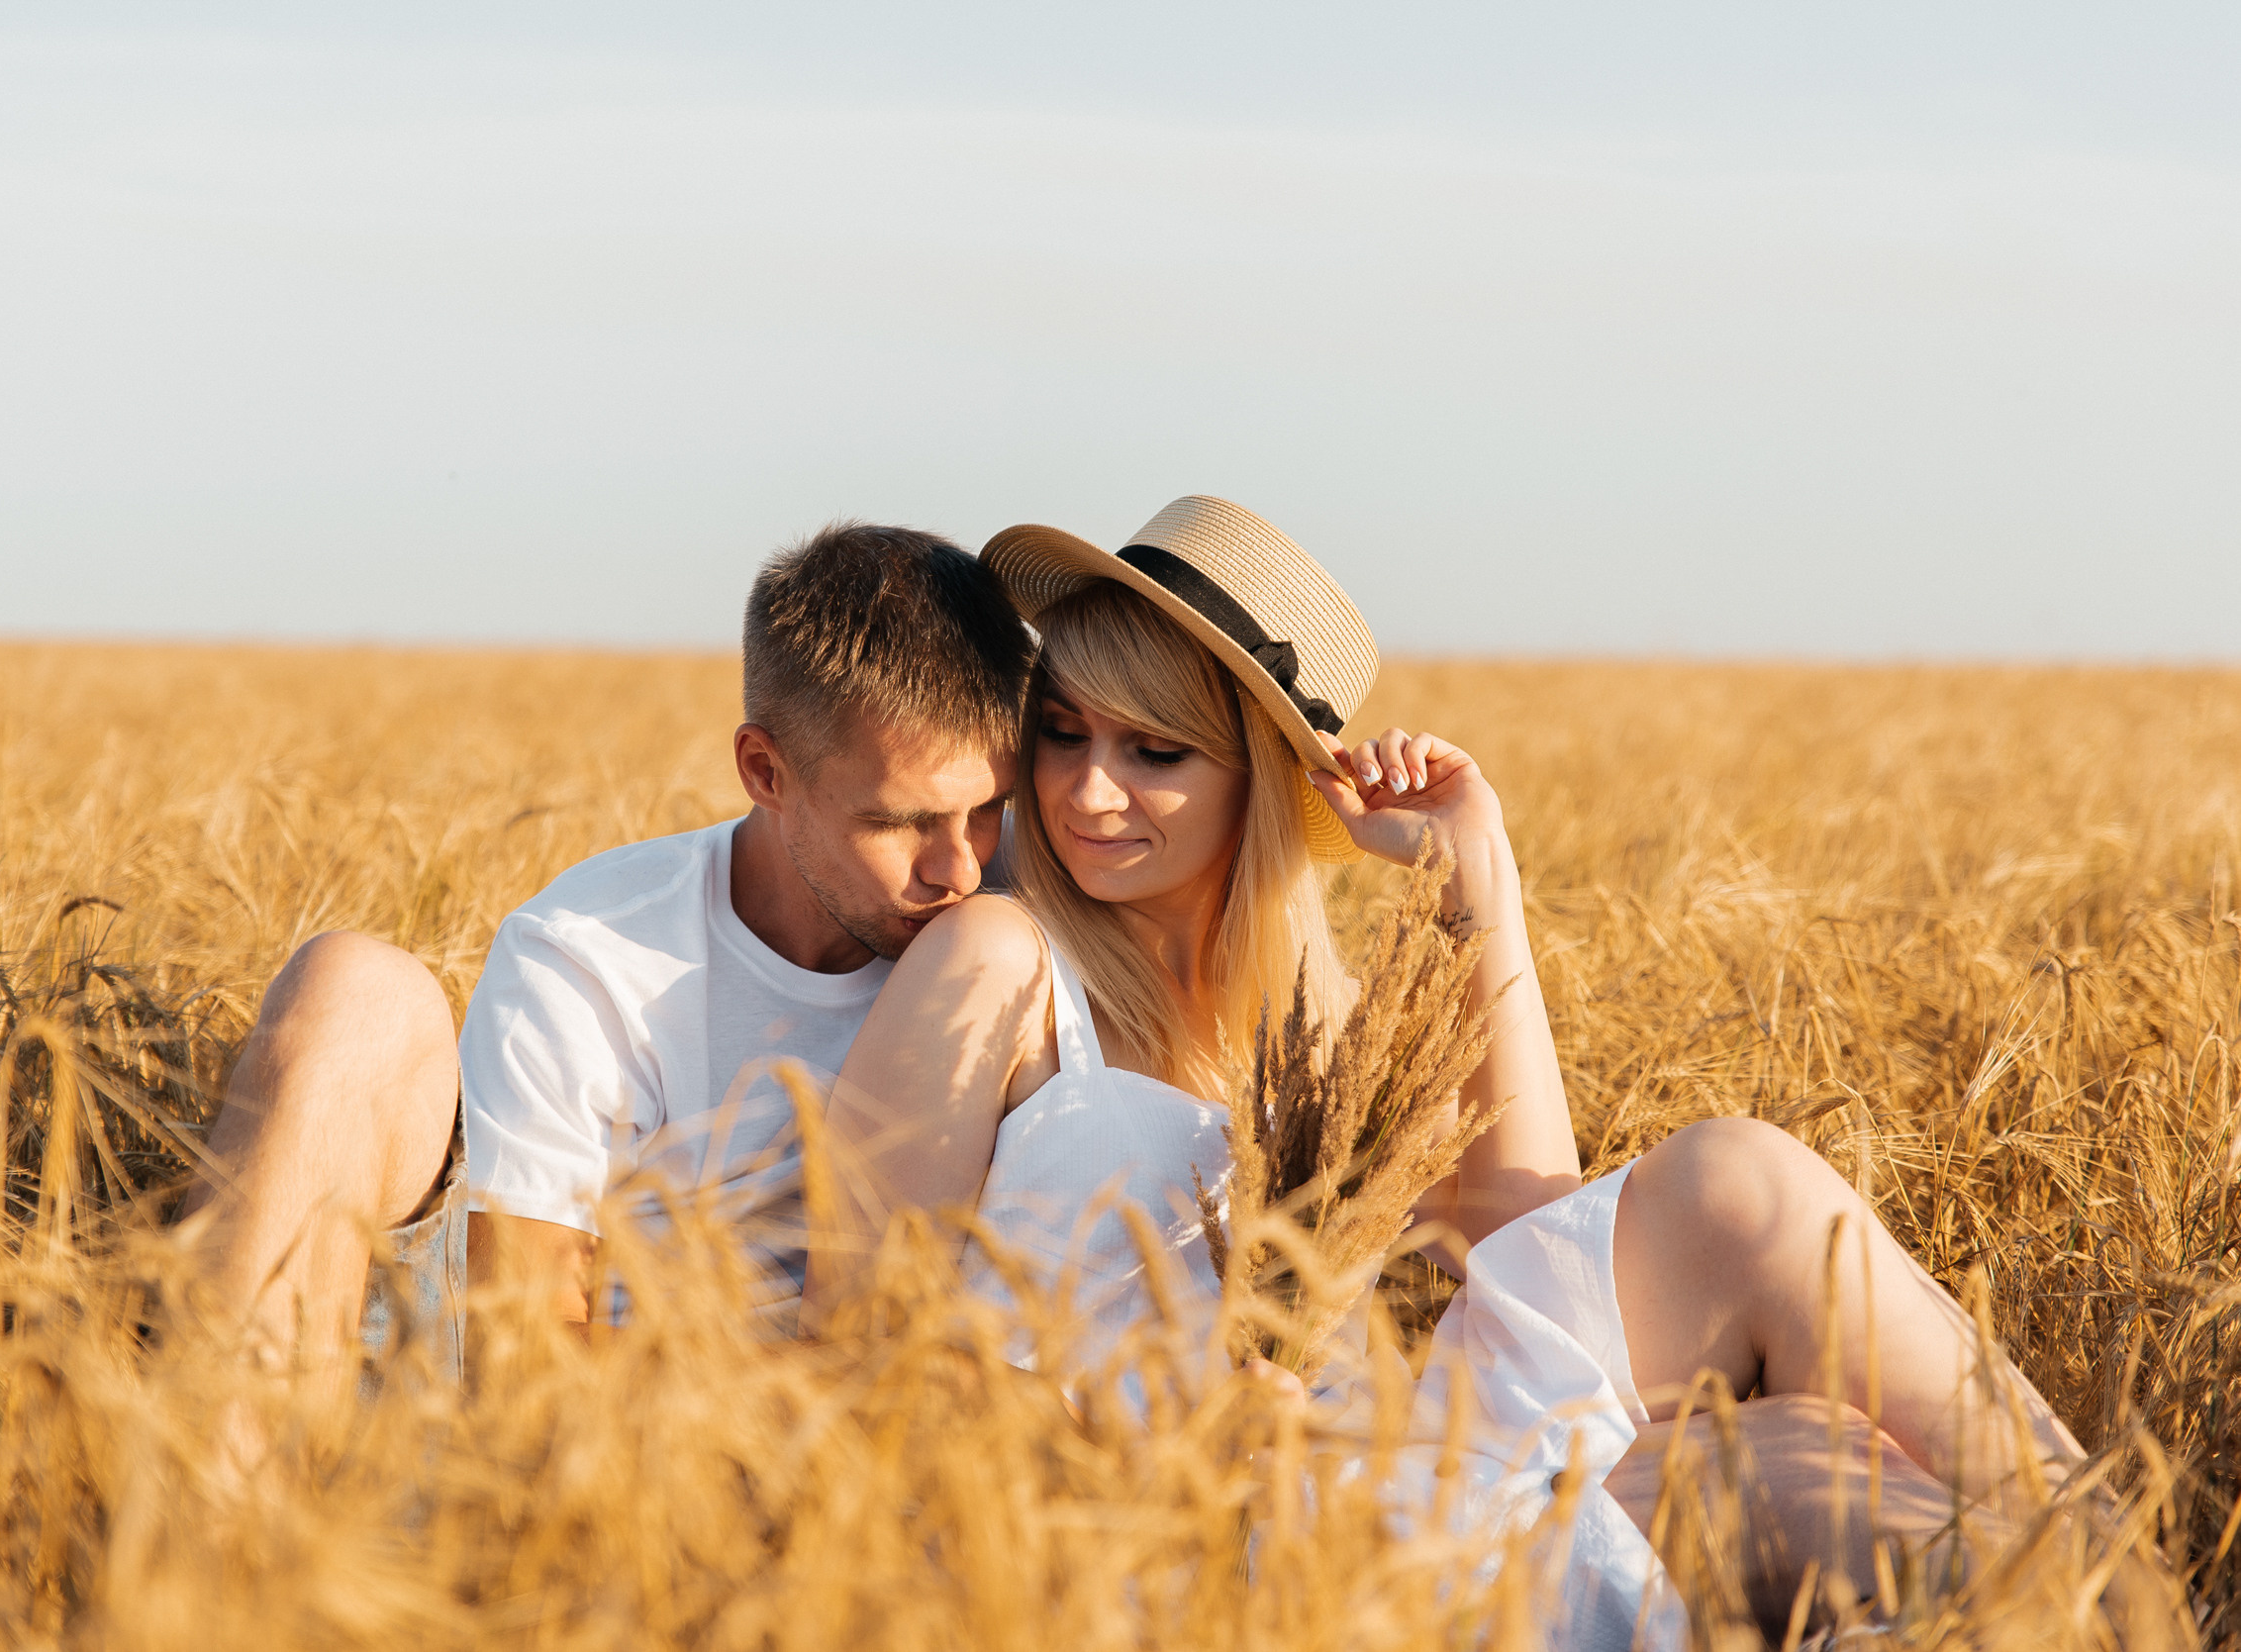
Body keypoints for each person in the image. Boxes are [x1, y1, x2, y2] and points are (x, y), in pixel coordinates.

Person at [801, 496, 2095, 1645]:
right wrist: (1154, 1443)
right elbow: (857, 1343)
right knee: (1799, 1483)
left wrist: (1480, 880)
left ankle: (2125, 1593)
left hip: (1375, 1481)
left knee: (1755, 1230)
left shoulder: (1307, 1020)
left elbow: (1536, 1233)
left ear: (1258, 776)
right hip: (1158, 1547)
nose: (1087, 791)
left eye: (1155, 751)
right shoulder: (1000, 959)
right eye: (1066, 732)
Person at [179, 521, 1031, 1379]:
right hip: (572, 1437)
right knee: (353, 991)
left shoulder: (1026, 917)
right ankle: (213, 1496)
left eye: (989, 807)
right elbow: (528, 1358)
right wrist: (854, 1389)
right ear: (765, 771)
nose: (959, 867)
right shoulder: (593, 953)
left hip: (883, 1451)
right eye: (898, 821)